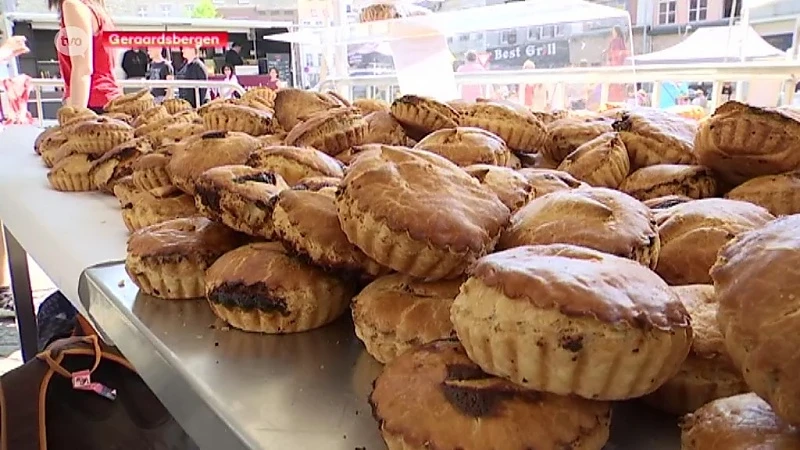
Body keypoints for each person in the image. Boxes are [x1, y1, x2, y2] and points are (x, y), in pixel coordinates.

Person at [53, 0, 121, 113]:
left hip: (91, 102)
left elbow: (83, 69)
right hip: (109, 100)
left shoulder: (73, 6)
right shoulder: (97, 11)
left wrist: (75, 118)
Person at [605, 26, 628, 103]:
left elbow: (620, 53)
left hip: (616, 66)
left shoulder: (616, 41)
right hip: (616, 66)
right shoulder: (618, 41)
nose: (613, 33)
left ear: (617, 32)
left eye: (614, 31)